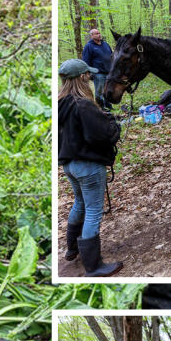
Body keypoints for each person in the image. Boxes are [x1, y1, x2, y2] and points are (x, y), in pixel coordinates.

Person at [56, 58, 122, 276]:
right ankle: (93, 266)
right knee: (93, 210)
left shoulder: (59, 104)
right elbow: (102, 135)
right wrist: (113, 125)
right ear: (82, 78)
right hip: (88, 165)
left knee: (80, 203)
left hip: (70, 165)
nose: (91, 78)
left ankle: (72, 249)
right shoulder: (82, 105)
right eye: (88, 75)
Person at [80, 29, 114, 104]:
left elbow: (112, 56)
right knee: (100, 91)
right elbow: (86, 61)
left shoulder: (105, 44)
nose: (99, 35)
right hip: (98, 73)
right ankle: (101, 106)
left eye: (99, 33)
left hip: (109, 72)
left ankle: (108, 106)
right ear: (92, 35)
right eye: (96, 34)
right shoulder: (89, 46)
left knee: (107, 90)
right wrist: (87, 72)